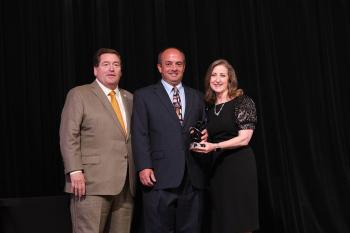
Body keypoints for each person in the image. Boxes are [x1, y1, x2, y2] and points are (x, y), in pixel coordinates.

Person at [131, 47, 209, 233]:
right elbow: (140, 133)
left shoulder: (197, 96)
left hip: (192, 177)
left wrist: (206, 135)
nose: (174, 68)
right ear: (160, 67)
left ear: (184, 67)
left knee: (191, 228)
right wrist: (144, 166)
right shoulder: (144, 96)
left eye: (178, 64)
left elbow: (203, 127)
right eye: (168, 64)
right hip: (158, 177)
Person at [59, 48, 135, 233]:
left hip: (126, 185)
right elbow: (69, 135)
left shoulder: (130, 98)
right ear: (95, 70)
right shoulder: (79, 94)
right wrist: (74, 170)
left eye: (116, 65)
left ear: (121, 70)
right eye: (106, 64)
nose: (111, 69)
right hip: (90, 183)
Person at [191, 59, 259, 233]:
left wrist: (215, 146)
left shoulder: (242, 102)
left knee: (241, 220)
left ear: (230, 79)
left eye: (222, 75)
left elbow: (244, 138)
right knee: (223, 220)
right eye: (213, 75)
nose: (217, 79)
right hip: (218, 169)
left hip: (239, 167)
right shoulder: (210, 108)